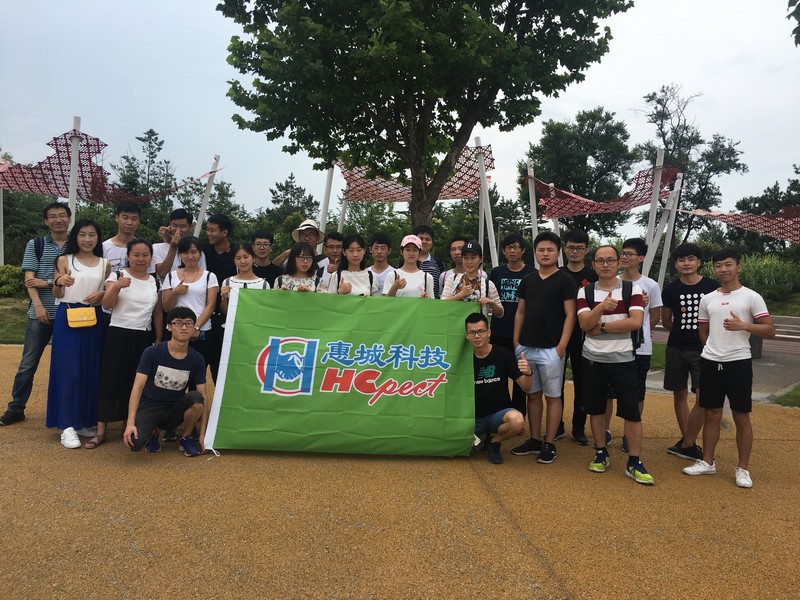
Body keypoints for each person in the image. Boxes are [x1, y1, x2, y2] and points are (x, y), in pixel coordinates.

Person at [683, 249, 775, 488]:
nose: (723, 269)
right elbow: (703, 330)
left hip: (739, 362)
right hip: (710, 361)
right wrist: (713, 349)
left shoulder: (751, 297)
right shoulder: (708, 299)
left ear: (738, 267)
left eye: (728, 264)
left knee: (741, 416)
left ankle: (743, 469)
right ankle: (707, 462)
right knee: (711, 413)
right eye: (718, 265)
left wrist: (744, 326)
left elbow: (769, 329)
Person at [577, 245, 653, 485]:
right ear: (594, 264)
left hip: (624, 359)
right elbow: (583, 324)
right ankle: (601, 452)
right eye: (600, 260)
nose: (605, 264)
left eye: (610, 260)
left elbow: (635, 322)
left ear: (618, 262)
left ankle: (634, 461)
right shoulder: (585, 291)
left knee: (631, 412)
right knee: (596, 409)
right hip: (593, 359)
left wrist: (601, 327)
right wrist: (601, 307)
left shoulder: (632, 289)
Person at [88, 238, 163, 449]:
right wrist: (117, 287)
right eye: (136, 255)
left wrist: (158, 338)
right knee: (111, 380)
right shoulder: (117, 276)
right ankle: (100, 431)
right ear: (128, 256)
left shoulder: (155, 281)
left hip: (143, 336)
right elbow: (107, 304)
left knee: (136, 381)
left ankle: (127, 426)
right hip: (118, 333)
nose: (141, 259)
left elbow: (157, 312)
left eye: (145, 255)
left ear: (151, 257)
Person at [1, 202, 70, 426]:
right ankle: (16, 408)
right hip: (39, 313)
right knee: (27, 364)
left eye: (62, 215)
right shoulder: (36, 244)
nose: (58, 220)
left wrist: (47, 282)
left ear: (69, 219)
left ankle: (65, 410)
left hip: (68, 314)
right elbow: (30, 280)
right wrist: (38, 306)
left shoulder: (78, 244)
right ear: (46, 221)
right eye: (53, 216)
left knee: (66, 365)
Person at [510, 232, 576, 465]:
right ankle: (535, 439)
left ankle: (549, 443)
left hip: (551, 349)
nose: (545, 254)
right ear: (535, 253)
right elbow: (520, 311)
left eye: (550, 250)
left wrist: (561, 347)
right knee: (533, 395)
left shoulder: (565, 280)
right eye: (541, 250)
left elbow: (570, 315)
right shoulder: (528, 279)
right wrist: (516, 342)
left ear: (558, 253)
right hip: (526, 347)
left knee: (553, 396)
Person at [47, 219, 110, 448]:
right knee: (69, 370)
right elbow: (57, 293)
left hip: (94, 318)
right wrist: (59, 281)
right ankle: (66, 425)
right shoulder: (64, 259)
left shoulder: (105, 263)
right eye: (82, 234)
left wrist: (102, 294)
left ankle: (83, 420)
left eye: (92, 234)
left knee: (90, 369)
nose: (87, 239)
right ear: (75, 236)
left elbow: (106, 291)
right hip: (68, 315)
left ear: (98, 238)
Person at [123, 307, 209, 457]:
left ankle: (186, 437)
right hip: (150, 406)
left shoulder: (197, 359)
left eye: (189, 323)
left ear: (193, 328)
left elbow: (204, 395)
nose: (184, 327)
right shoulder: (152, 353)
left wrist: (203, 434)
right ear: (169, 327)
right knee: (134, 444)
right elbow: (138, 387)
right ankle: (153, 432)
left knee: (196, 399)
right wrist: (130, 423)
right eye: (178, 323)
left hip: (175, 409)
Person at [662, 243, 719, 460]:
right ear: (676, 264)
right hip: (676, 347)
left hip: (704, 349)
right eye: (681, 260)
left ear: (699, 262)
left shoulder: (712, 287)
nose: (686, 263)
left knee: (703, 397)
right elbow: (667, 321)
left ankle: (687, 442)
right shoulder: (671, 289)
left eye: (691, 259)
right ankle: (688, 441)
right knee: (679, 393)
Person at [615, 237, 662, 453]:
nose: (624, 257)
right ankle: (605, 431)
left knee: (637, 392)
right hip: (613, 345)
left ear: (641, 258)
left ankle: (630, 434)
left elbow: (655, 315)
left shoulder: (650, 285)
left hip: (640, 348)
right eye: (623, 253)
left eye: (629, 254)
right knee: (608, 393)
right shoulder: (612, 281)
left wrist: (640, 332)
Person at [466, 313, 531, 465]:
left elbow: (526, 387)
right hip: (471, 418)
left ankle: (494, 442)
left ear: (489, 332)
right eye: (472, 332)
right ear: (467, 335)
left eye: (481, 331)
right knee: (453, 449)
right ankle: (479, 437)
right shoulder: (463, 358)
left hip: (497, 415)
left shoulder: (503, 354)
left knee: (517, 420)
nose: (477, 336)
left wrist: (528, 373)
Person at [161, 236, 219, 384]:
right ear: (180, 254)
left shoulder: (209, 276)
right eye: (185, 252)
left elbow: (211, 305)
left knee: (197, 378)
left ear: (200, 254)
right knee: (172, 376)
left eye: (194, 252)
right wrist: (175, 292)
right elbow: (166, 307)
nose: (190, 256)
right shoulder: (171, 276)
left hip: (201, 332)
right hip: (175, 332)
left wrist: (195, 327)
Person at [488, 232, 536, 414]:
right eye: (509, 247)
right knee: (498, 373)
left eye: (516, 247)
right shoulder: (496, 272)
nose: (512, 251)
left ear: (523, 250)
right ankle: (499, 411)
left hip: (523, 333)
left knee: (520, 373)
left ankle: (519, 413)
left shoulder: (532, 273)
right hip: (499, 331)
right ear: (503, 251)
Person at [558, 229, 597, 446]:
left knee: (583, 383)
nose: (575, 252)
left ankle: (578, 428)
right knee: (556, 382)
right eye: (571, 247)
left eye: (579, 248)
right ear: (565, 249)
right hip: (559, 334)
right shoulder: (557, 273)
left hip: (584, 336)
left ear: (586, 250)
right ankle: (557, 425)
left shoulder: (593, 276)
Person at [201, 214, 236, 384]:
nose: (208, 233)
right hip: (204, 312)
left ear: (224, 232)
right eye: (207, 229)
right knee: (200, 363)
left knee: (220, 366)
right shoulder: (203, 249)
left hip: (226, 314)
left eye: (212, 230)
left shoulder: (237, 252)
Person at [441, 242, 503, 318]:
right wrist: (461, 294)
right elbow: (442, 305)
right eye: (465, 258)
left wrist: (491, 303)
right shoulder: (452, 279)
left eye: (473, 258)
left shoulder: (488, 284)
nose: (469, 262)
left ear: (481, 259)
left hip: (478, 325)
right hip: (454, 324)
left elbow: (500, 313)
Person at [153, 208, 207, 280]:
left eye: (182, 226)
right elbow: (162, 274)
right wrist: (173, 247)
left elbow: (202, 277)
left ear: (190, 227)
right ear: (170, 225)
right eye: (175, 225)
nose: (178, 230)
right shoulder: (157, 248)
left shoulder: (197, 252)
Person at [220, 243, 270, 315]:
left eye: (246, 257)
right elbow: (225, 312)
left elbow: (265, 311)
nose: (242, 261)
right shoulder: (227, 282)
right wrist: (224, 298)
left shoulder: (263, 284)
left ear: (253, 258)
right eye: (238, 258)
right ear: (234, 261)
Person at [102, 201, 142, 271]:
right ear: (117, 218)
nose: (129, 223)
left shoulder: (143, 249)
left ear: (139, 221)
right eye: (125, 218)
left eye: (134, 219)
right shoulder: (104, 247)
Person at [411, 225, 446, 298]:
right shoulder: (404, 262)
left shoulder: (439, 264)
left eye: (427, 239)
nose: (424, 241)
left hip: (432, 303)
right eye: (421, 238)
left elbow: (443, 288)